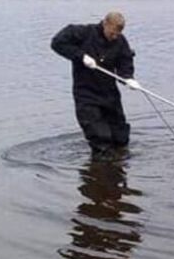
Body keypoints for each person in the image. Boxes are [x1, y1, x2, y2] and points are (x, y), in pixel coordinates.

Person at [51, 12, 139, 157]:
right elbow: (57, 43)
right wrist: (81, 56)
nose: (114, 37)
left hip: (109, 94)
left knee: (121, 138)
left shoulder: (120, 41)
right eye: (112, 33)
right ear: (105, 24)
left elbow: (125, 61)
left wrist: (128, 79)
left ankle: (118, 164)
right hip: (86, 94)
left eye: (117, 34)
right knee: (100, 138)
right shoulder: (83, 33)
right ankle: (101, 171)